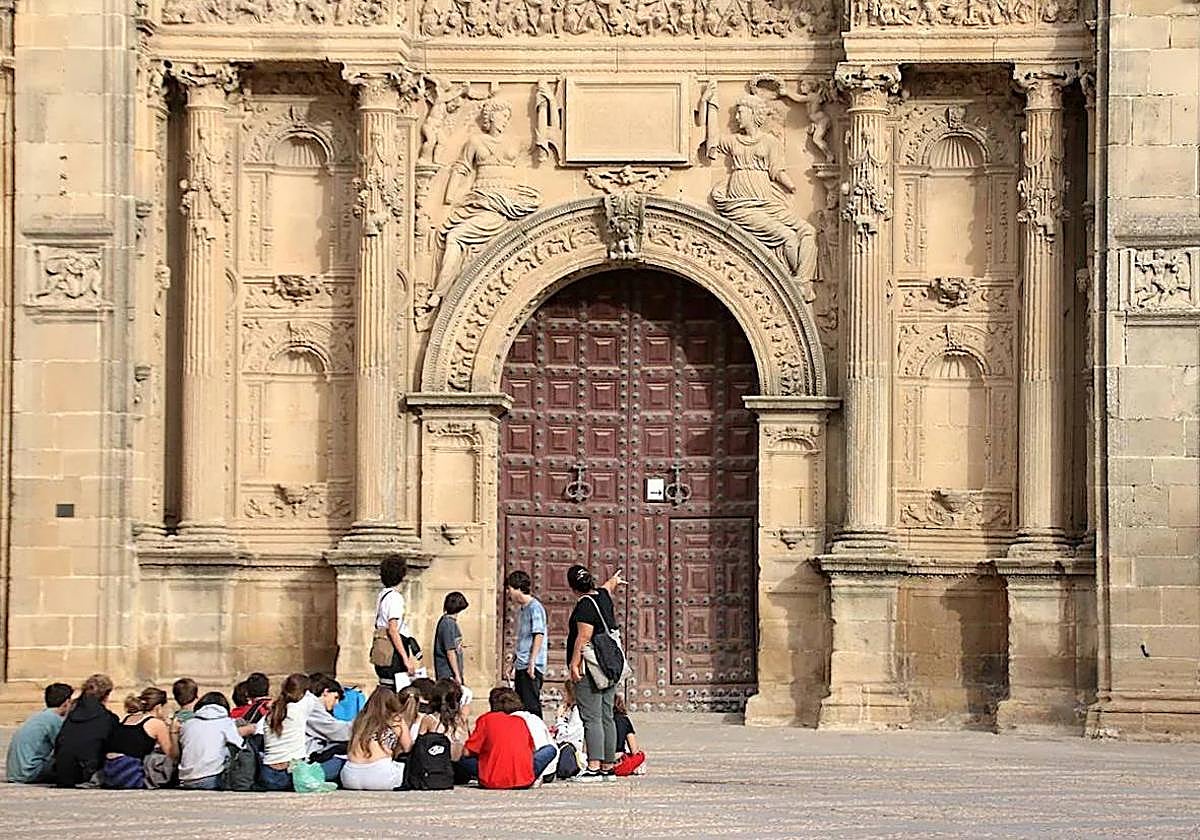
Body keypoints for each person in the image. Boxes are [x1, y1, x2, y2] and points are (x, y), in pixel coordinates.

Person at [565, 564, 625, 780]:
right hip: (610, 666)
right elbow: (608, 587)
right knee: (607, 715)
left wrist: (574, 664)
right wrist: (614, 581)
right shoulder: (602, 596)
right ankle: (608, 767)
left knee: (592, 717)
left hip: (591, 668)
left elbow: (583, 637)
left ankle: (594, 767)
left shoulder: (584, 606)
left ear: (572, 587)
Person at [459, 687, 535, 790]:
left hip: (494, 779)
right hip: (524, 780)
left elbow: (466, 752)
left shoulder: (486, 719)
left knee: (462, 759)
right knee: (548, 750)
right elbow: (532, 749)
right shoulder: (520, 721)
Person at [177, 692, 256, 790]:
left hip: (186, 779)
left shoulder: (188, 724)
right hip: (211, 779)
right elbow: (240, 744)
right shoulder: (227, 723)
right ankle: (243, 784)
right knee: (238, 747)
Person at [339, 687, 413, 791]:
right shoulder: (396, 720)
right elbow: (408, 747)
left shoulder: (359, 720)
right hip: (380, 776)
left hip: (350, 776)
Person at [103, 687, 178, 789]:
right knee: (164, 760)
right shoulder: (156, 723)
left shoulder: (128, 718)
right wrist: (173, 731)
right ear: (159, 707)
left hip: (110, 772)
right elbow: (171, 754)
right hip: (129, 773)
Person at [53, 673, 119, 788]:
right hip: (85, 773)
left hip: (61, 772)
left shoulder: (71, 714)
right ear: (106, 695)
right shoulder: (108, 718)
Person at [5, 682, 72, 784]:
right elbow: (65, 748)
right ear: (66, 702)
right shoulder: (54, 720)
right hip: (29, 772)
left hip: (14, 773)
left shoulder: (39, 716)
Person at [260, 673, 317, 791]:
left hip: (267, 774)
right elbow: (312, 698)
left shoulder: (271, 714)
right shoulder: (300, 708)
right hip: (291, 775)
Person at [372, 556, 421, 690]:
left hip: (383, 650)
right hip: (393, 653)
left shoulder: (383, 594)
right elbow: (393, 630)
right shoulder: (395, 598)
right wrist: (406, 659)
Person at [505, 570, 548, 719]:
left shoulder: (535, 608)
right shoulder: (523, 609)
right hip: (522, 663)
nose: (508, 592)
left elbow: (538, 635)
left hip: (531, 665)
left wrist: (532, 662)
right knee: (521, 707)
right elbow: (523, 639)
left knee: (532, 707)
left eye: (510, 588)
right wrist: (513, 663)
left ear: (517, 588)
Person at [305, 673, 352, 783]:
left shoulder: (307, 703)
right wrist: (364, 724)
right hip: (307, 764)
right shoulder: (311, 706)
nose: (336, 704)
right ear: (326, 692)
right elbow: (336, 731)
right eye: (335, 698)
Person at [512, 704, 558, 783]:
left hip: (523, 770)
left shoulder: (513, 721)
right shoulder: (534, 717)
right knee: (550, 749)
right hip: (547, 771)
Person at [551, 679, 585, 777]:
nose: (563, 694)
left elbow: (566, 736)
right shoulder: (575, 709)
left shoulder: (577, 711)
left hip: (575, 754)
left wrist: (559, 718)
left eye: (565, 691)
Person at [434, 591, 468, 684]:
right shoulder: (448, 623)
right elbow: (450, 651)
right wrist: (457, 675)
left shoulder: (450, 622)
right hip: (448, 674)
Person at [612, 694, 646, 776]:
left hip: (598, 763)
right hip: (620, 764)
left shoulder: (596, 721)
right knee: (640, 755)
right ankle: (636, 768)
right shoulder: (624, 720)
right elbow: (634, 750)